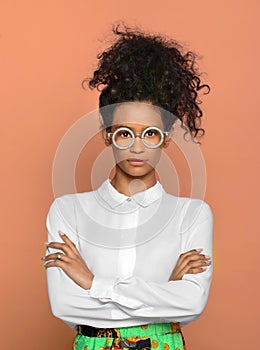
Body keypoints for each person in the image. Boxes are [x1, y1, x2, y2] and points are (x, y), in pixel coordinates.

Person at [42, 23, 214, 350]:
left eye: (150, 133)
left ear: (165, 139)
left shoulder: (193, 215)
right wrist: (165, 291)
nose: (137, 147)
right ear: (108, 135)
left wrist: (93, 283)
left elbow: (192, 303)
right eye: (125, 133)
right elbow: (64, 305)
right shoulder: (68, 211)